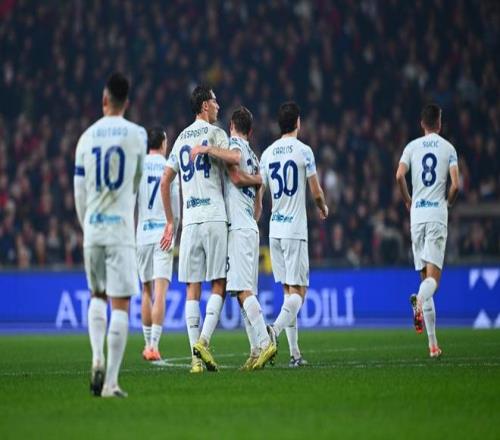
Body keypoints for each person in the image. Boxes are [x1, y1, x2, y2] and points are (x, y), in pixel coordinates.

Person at [74, 72, 146, 397]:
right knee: (120, 304)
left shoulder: (85, 137)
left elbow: (79, 193)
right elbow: (136, 182)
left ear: (105, 100)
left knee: (96, 296)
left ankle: (96, 357)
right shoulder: (137, 135)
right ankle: (111, 382)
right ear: (126, 102)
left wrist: (87, 225)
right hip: (120, 230)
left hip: (93, 228)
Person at [191, 106, 277, 370]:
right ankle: (255, 351)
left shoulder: (235, 146)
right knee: (243, 293)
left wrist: (206, 149)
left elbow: (236, 171)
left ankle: (266, 341)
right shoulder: (256, 159)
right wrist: (256, 184)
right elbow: (259, 208)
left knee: (242, 291)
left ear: (231, 127)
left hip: (239, 228)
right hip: (250, 226)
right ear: (251, 130)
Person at [159, 85, 230, 373]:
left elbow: (165, 181)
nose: (218, 105)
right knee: (219, 283)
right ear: (204, 106)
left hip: (189, 222)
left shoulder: (179, 139)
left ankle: (195, 359)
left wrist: (170, 221)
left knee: (192, 287)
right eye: (214, 100)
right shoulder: (216, 133)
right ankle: (203, 341)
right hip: (213, 216)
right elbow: (234, 162)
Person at [260, 101, 328, 367]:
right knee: (300, 292)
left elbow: (260, 192)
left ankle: (295, 354)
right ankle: (273, 331)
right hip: (294, 230)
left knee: (289, 293)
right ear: (298, 122)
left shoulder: (267, 153)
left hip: (275, 230)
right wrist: (323, 206)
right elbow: (316, 191)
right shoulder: (304, 151)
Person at [396, 103, 459, 358]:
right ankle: (419, 301)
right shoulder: (448, 148)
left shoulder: (411, 147)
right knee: (433, 281)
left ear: (422, 123)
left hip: (417, 216)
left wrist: (407, 200)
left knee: (425, 280)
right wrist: (448, 202)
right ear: (439, 123)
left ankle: (433, 346)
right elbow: (456, 185)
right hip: (435, 216)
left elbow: (399, 175)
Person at [136, 127, 180, 361]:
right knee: (160, 292)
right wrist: (174, 229)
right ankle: (154, 345)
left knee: (146, 290)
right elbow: (176, 207)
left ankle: (146, 345)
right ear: (163, 143)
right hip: (163, 233)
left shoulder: (139, 166)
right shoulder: (169, 166)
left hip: (142, 234)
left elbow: (132, 201)